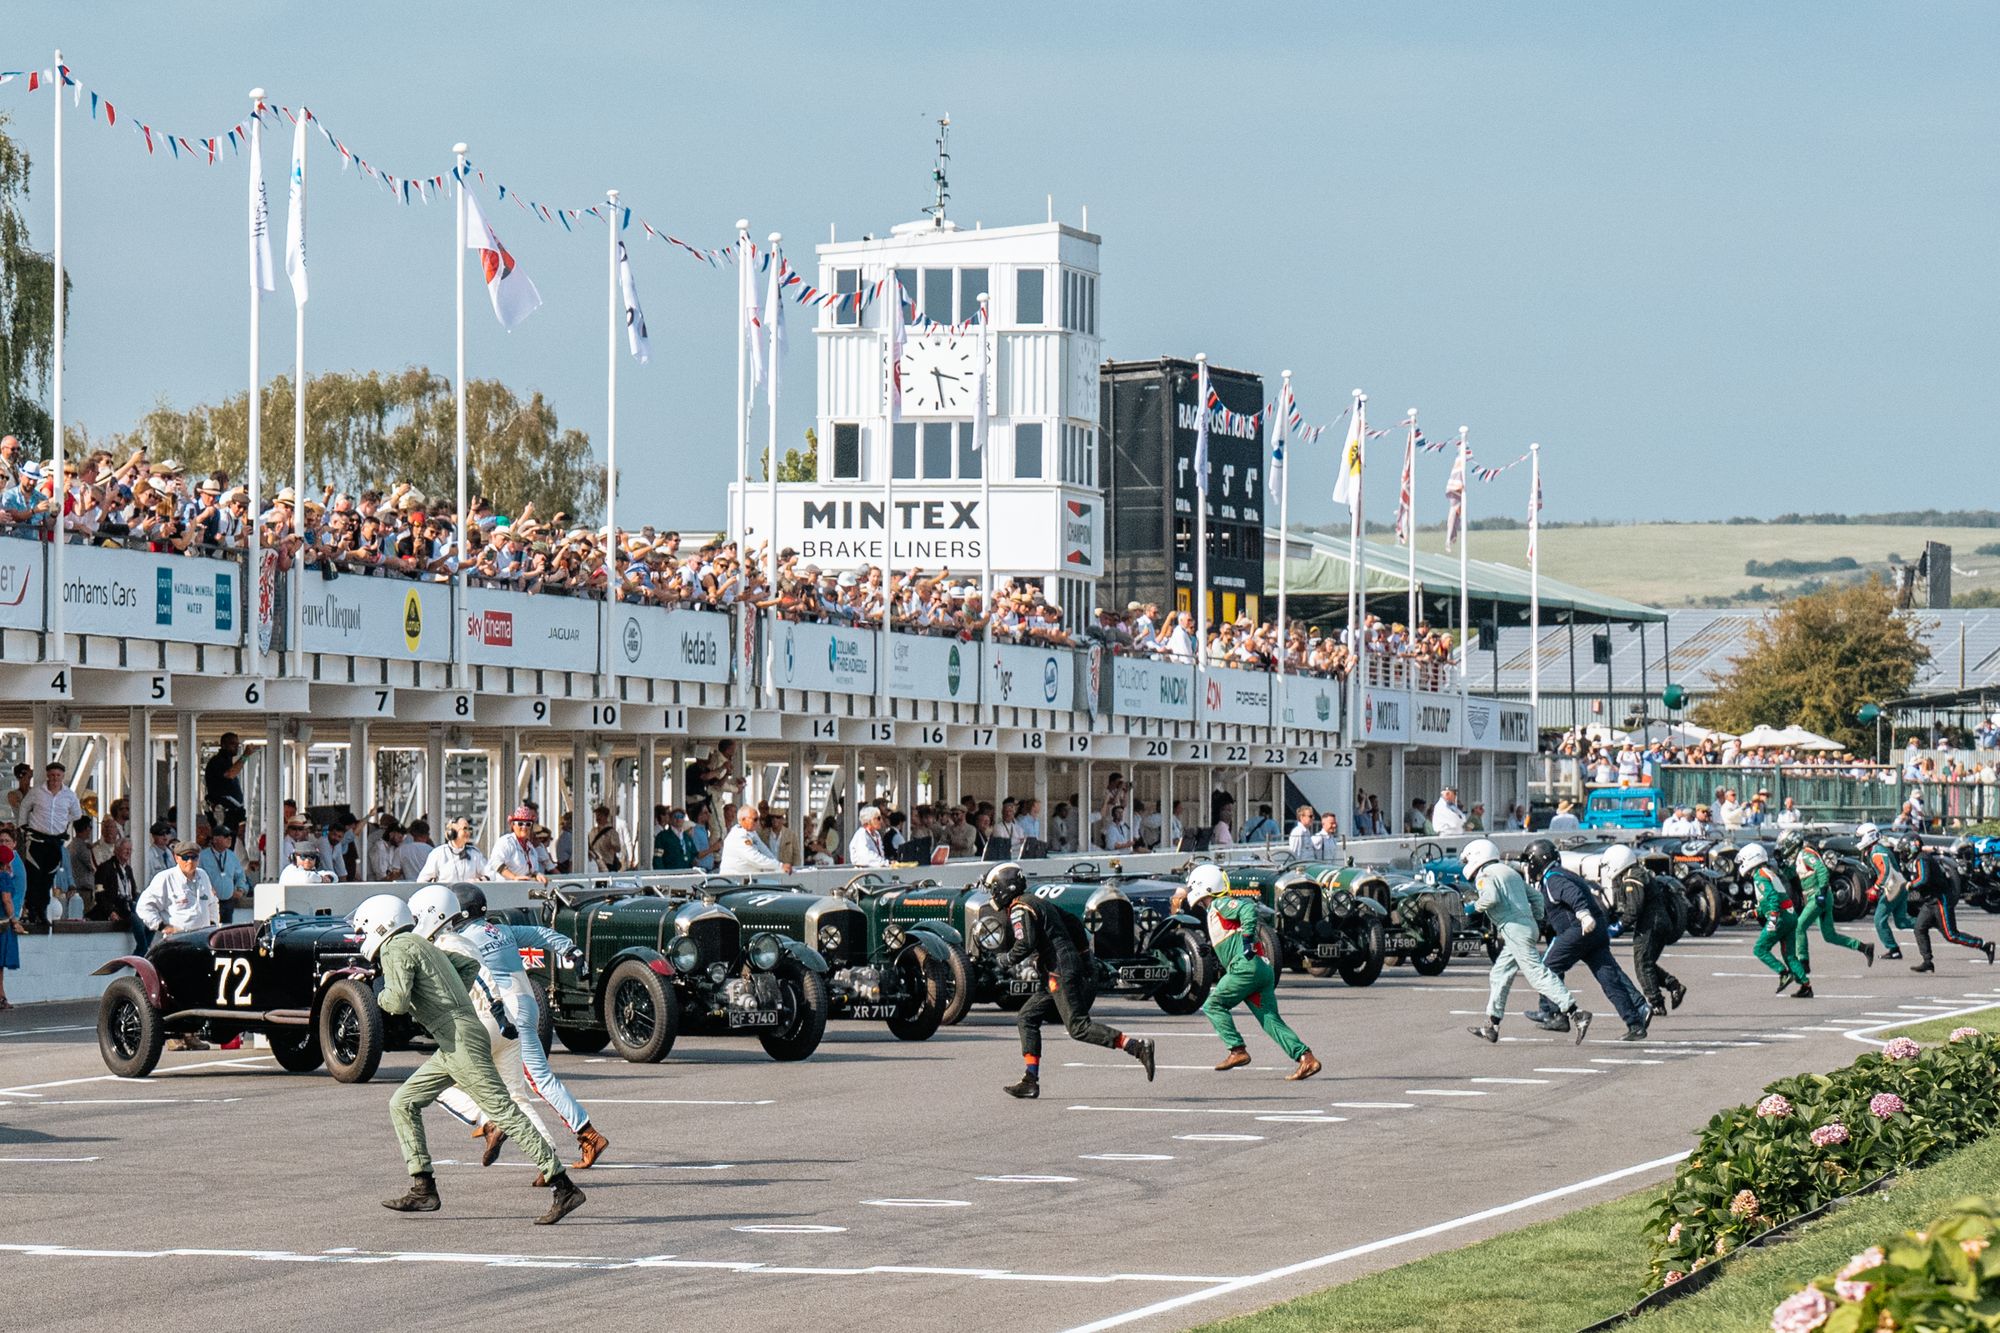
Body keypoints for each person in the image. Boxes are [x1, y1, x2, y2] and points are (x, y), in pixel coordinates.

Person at [351, 894, 585, 1225]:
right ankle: (423, 1187)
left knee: (504, 1111)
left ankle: (563, 1186)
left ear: (380, 926)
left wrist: (377, 990)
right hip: (457, 1036)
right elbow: (468, 965)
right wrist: (448, 997)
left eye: (363, 930)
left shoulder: (395, 948)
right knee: (402, 1102)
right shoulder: (419, 943)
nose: (362, 938)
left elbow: (398, 1001)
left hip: (458, 1039)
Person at [410, 884, 610, 1179]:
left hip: (504, 1011)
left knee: (535, 1081)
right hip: (527, 1002)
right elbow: (541, 933)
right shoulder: (499, 930)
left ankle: (585, 1134)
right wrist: (570, 948)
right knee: (517, 1087)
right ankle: (529, 1141)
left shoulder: (461, 939)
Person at [988, 862, 1154, 1098]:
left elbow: (1025, 942)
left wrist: (1006, 959)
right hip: (1059, 967)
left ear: (1005, 886)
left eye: (994, 888)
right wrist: (1084, 958)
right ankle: (1030, 1080)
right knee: (1027, 1016)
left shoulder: (1019, 907)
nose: (993, 893)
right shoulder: (1037, 901)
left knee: (1078, 1027)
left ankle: (1137, 1047)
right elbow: (1074, 924)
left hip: (1058, 970)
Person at [1176, 866, 1319, 1080]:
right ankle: (1306, 1058)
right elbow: (1230, 934)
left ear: (1202, 885)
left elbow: (1247, 910)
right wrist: (1211, 948)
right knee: (1270, 1020)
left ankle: (1237, 1051)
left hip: (1246, 968)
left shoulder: (1220, 903)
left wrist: (1247, 938)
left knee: (1213, 1004)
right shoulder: (1214, 911)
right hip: (1261, 969)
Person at [1460, 839, 1592, 1044]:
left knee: (1537, 975)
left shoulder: (1485, 875)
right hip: (1527, 926)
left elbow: (1491, 898)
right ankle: (1492, 1026)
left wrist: (1472, 907)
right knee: (1499, 973)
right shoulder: (1510, 872)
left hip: (1514, 929)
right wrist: (1536, 919)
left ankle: (1576, 1012)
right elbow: (1537, 899)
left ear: (1476, 856)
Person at [1521, 838, 1651, 1039]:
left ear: (1538, 860)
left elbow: (1573, 896)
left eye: (1530, 861)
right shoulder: (1566, 873)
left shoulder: (1553, 878)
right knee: (1610, 980)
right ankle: (1635, 1024)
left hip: (1579, 929)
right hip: (1595, 930)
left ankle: (1554, 1014)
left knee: (1547, 968)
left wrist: (1582, 914)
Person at [1600, 844, 1688, 1015]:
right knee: (1647, 963)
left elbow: (1634, 909)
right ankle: (1673, 985)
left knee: (1642, 965)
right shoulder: (1639, 873)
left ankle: (1656, 1003)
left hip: (1650, 925)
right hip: (1659, 922)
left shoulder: (1632, 878)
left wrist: (1616, 928)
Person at [1781, 828, 1873, 973]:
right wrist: (1783, 866)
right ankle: (1864, 947)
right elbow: (1794, 878)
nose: (1783, 849)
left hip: (1817, 895)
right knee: (1830, 936)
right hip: (1815, 896)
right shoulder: (1800, 857)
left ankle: (1803, 962)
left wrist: (1822, 892)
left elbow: (1822, 870)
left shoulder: (1806, 853)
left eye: (1784, 845)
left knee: (1799, 927)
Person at [1900, 836, 1993, 973]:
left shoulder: (1922, 859)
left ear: (1915, 845)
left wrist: (1910, 885)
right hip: (1930, 901)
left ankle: (1984, 945)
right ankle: (1927, 961)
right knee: (1919, 928)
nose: (1904, 852)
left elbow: (1923, 879)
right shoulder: (1918, 859)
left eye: (1905, 849)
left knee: (1951, 935)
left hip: (1940, 899)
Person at [1739, 842, 1809, 997]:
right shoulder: (1769, 872)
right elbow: (1769, 901)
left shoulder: (1759, 877)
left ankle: (1783, 973)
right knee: (1789, 955)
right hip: (1790, 915)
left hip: (1781, 917)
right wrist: (1755, 913)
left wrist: (1773, 919)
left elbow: (1772, 899)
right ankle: (1805, 985)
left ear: (1751, 859)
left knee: (1760, 949)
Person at [17, 761, 82, 929]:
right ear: (47, 775)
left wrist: (63, 823)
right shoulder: (37, 792)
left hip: (55, 841)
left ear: (62, 776)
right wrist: (23, 826)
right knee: (34, 876)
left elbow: (76, 813)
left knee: (47, 878)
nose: (54, 779)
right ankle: (32, 912)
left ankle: (42, 912)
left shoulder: (69, 795)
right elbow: (24, 807)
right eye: (52, 775)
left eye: (58, 776)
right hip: (37, 839)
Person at [1857, 823, 1912, 961]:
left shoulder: (1876, 851)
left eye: (1861, 837)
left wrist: (1876, 888)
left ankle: (1893, 949)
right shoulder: (1878, 848)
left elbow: (1886, 871)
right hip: (1901, 884)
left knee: (1879, 920)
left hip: (1893, 887)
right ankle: (1930, 921)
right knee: (1902, 922)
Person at [93, 836, 144, 952]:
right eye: (125, 849)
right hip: (117, 907)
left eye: (130, 850)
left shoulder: (128, 869)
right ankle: (142, 949)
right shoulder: (105, 868)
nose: (128, 852)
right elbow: (100, 895)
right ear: (116, 850)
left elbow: (134, 891)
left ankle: (143, 948)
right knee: (136, 921)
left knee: (150, 924)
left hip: (130, 906)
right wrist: (110, 911)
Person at [199, 826, 252, 921]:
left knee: (226, 930)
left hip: (228, 902)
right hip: (209, 903)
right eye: (226, 836)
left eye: (230, 836)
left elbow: (240, 875)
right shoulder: (203, 857)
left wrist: (241, 889)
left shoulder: (232, 856)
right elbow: (198, 877)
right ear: (215, 839)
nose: (229, 838)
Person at [720, 803, 788, 874]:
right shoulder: (738, 836)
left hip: (747, 878)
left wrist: (779, 865)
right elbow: (754, 858)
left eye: (758, 819)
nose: (758, 822)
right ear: (743, 820)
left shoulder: (752, 832)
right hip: (734, 879)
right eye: (755, 819)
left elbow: (764, 850)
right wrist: (779, 866)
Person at [417, 817, 491, 882]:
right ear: (452, 833)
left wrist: (478, 880)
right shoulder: (438, 853)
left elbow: (491, 874)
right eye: (465, 829)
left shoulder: (475, 854)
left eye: (469, 829)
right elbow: (423, 880)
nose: (468, 832)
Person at [490, 807, 549, 883]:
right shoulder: (506, 841)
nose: (524, 827)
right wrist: (514, 877)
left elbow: (532, 871)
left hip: (523, 888)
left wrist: (537, 875)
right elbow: (496, 863)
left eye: (528, 824)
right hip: (505, 888)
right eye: (520, 823)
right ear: (513, 825)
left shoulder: (531, 848)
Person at [203, 732, 246, 834]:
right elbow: (230, 774)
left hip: (233, 813)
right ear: (223, 745)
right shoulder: (218, 761)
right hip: (223, 811)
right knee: (223, 838)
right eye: (232, 744)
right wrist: (245, 756)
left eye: (237, 744)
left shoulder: (227, 761)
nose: (236, 747)